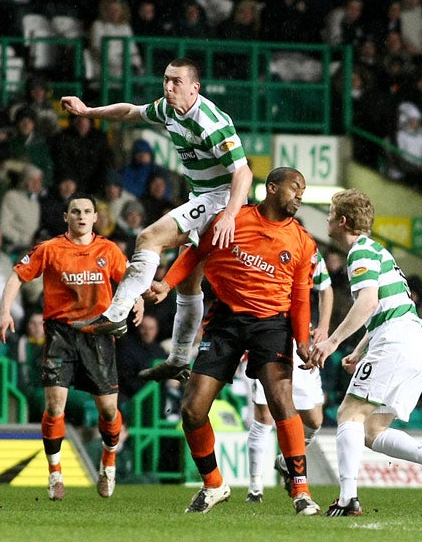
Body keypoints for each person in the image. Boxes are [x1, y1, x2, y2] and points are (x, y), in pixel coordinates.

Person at [60, 57, 253, 382]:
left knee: (149, 237)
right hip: (202, 197)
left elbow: (244, 172)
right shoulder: (168, 109)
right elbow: (130, 112)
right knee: (189, 287)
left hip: (220, 200)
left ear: (195, 88)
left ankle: (118, 312)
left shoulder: (211, 122)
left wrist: (230, 215)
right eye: (166, 79)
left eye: (176, 82)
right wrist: (88, 112)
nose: (168, 87)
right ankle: (178, 359)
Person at [144, 167, 321, 516]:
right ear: (271, 188)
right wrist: (166, 283)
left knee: (280, 399)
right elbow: (195, 254)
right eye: (295, 188)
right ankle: (213, 484)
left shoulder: (303, 241)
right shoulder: (233, 220)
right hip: (225, 319)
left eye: (303, 190)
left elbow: (301, 296)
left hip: (272, 324)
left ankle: (301, 491)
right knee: (192, 410)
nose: (300, 195)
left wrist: (302, 339)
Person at [311, 188, 422, 516]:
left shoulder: (359, 253)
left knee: (349, 413)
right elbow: (383, 307)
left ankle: (349, 498)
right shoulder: (377, 251)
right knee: (372, 430)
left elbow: (366, 303)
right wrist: (360, 350)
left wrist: (333, 342)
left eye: (329, 214)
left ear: (342, 220)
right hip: (413, 343)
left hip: (398, 341)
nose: (326, 220)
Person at [0, 193, 144, 501]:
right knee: (54, 406)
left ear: (94, 217)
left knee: (108, 409)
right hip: (61, 334)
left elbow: (130, 279)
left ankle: (109, 463)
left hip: (98, 334)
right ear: (66, 217)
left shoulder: (107, 249)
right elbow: (16, 276)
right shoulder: (50, 249)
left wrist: (138, 299)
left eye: (86, 211)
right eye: (75, 211)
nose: (81, 216)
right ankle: (55, 473)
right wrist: (5, 311)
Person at [246, 251, 333, 503]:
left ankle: (285, 460)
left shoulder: (309, 251)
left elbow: (326, 288)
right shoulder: (259, 249)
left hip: (301, 339)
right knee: (264, 415)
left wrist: (324, 326)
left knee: (314, 420)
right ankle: (255, 488)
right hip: (266, 334)